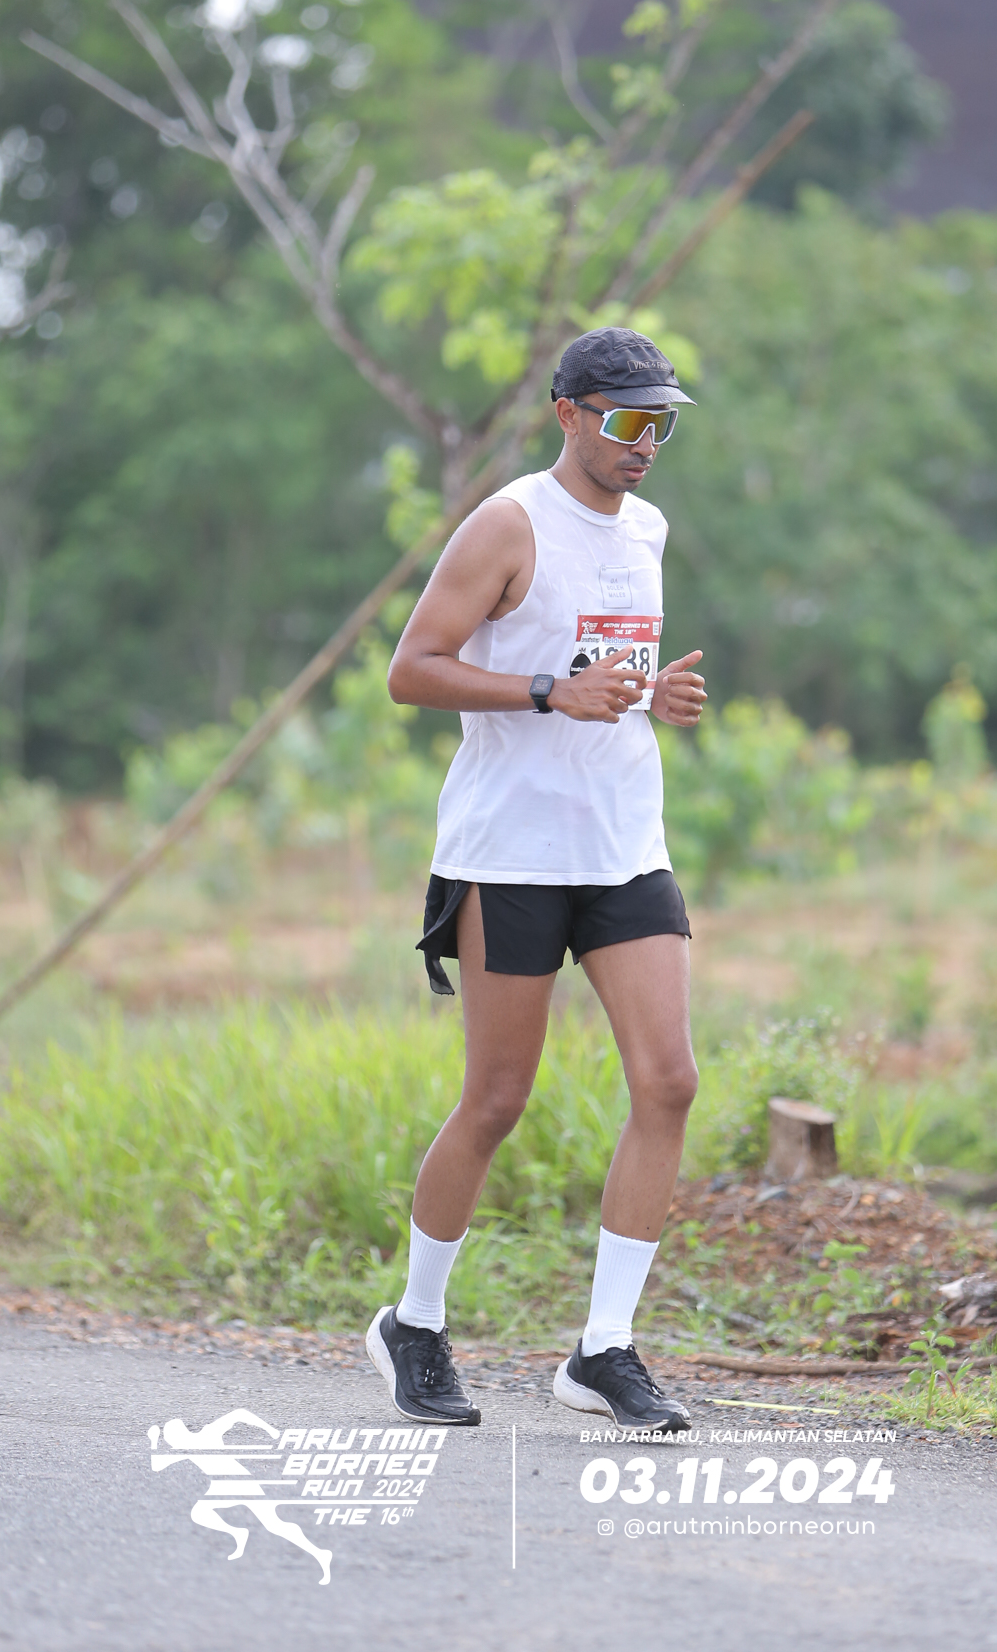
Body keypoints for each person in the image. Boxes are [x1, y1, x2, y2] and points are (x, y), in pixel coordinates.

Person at [366, 326, 707, 1434]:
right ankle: (414, 1323)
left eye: (660, 424)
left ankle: (602, 1351)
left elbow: (606, 670)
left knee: (668, 1083)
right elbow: (412, 670)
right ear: (568, 414)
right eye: (627, 421)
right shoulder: (507, 523)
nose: (644, 443)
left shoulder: (647, 528)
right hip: (510, 854)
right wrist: (546, 694)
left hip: (623, 844)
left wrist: (652, 699)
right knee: (497, 1099)